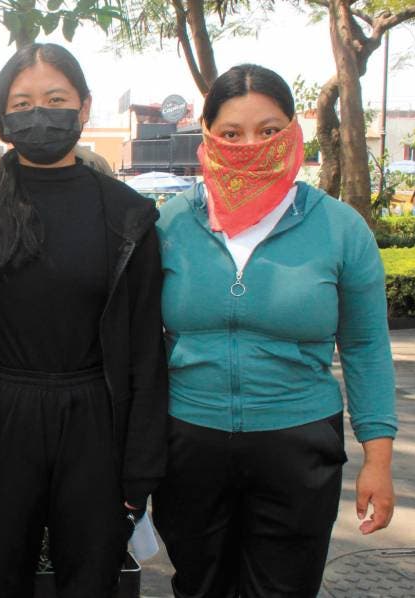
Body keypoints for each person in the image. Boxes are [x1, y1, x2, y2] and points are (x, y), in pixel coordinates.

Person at [0, 43, 168, 597]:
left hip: (96, 424)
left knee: (92, 583)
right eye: (22, 103)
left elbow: (147, 349)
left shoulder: (128, 215)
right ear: (3, 115)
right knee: (0, 581)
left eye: (55, 100)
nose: (39, 114)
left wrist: (142, 464)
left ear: (84, 108)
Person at [154, 64, 397, 597]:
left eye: (268, 130)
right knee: (199, 586)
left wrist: (377, 461)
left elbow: (365, 346)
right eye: (231, 133)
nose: (251, 146)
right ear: (207, 135)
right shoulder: (171, 224)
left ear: (293, 131)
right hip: (189, 443)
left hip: (298, 444)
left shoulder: (339, 227)